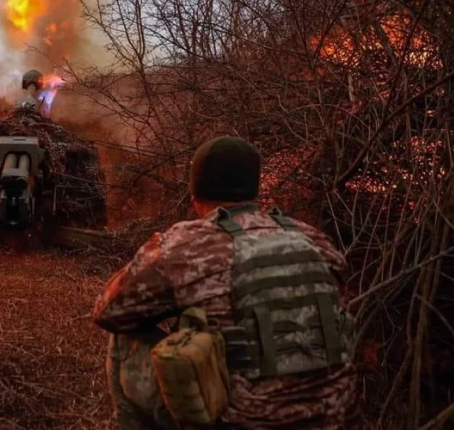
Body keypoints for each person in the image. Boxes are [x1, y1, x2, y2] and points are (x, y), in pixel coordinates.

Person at [93, 136, 358, 429]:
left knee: (124, 340)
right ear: (253, 190)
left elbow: (108, 310)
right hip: (330, 417)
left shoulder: (188, 244)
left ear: (195, 194)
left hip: (240, 421)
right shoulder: (315, 240)